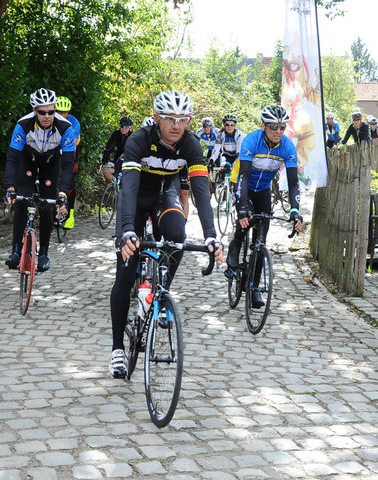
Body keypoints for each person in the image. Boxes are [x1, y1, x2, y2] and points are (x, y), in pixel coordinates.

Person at [108, 90, 224, 378]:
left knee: (177, 237)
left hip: (165, 196)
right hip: (136, 201)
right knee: (125, 271)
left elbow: (200, 190)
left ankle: (161, 292)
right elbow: (129, 190)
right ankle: (117, 349)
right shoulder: (139, 140)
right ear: (157, 118)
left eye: (182, 119)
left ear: (189, 121)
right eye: (170, 119)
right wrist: (125, 232)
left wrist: (211, 235)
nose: (176, 125)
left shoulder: (191, 144)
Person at [224, 105, 302, 308]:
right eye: (273, 126)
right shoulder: (251, 140)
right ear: (263, 126)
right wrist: (242, 206)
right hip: (242, 184)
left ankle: (254, 288)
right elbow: (244, 176)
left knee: (261, 241)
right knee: (245, 218)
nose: (278, 131)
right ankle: (235, 243)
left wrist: (295, 210)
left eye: (282, 127)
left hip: (263, 190)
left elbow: (293, 183)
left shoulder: (287, 147)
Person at [4, 88, 75, 272]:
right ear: (35, 111)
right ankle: (16, 251)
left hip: (51, 163)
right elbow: (12, 158)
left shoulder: (66, 128)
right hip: (27, 160)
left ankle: (43, 253)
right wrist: (10, 187)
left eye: (51, 111)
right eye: (42, 112)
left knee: (47, 205)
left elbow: (68, 165)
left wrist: (63, 193)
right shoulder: (23, 125)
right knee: (23, 200)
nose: (47, 116)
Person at [55, 96, 81, 229]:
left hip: (71, 152)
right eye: (59, 111)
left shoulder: (73, 122)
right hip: (54, 152)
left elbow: (74, 144)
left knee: (70, 184)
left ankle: (70, 215)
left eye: (65, 112)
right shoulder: (50, 120)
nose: (62, 115)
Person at [101, 116, 134, 183]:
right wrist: (104, 160)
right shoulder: (116, 134)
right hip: (117, 159)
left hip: (128, 162)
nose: (123, 129)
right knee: (105, 169)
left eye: (126, 127)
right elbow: (109, 147)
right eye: (122, 126)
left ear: (130, 128)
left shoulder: (133, 137)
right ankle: (115, 185)